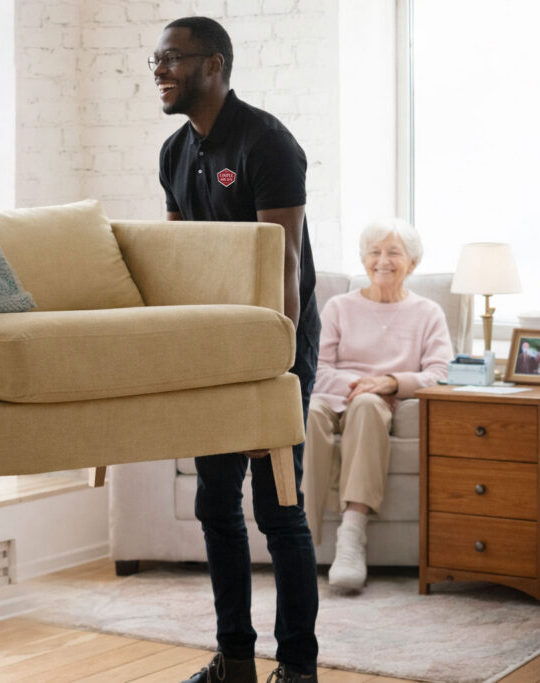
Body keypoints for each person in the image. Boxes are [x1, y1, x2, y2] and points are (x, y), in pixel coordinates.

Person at [153, 16, 320, 683]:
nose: (160, 71)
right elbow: (175, 267)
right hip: (213, 350)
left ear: (213, 63)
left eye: (171, 58)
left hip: (276, 349)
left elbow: (286, 273)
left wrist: (268, 381)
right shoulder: (172, 152)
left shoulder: (268, 144)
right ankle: (237, 661)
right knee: (213, 503)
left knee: (277, 508)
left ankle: (298, 668)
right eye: (154, 61)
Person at [302, 219, 451, 592]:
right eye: (374, 252)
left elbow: (441, 373)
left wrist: (391, 383)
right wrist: (363, 384)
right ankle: (301, 539)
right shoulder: (338, 307)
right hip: (331, 395)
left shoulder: (427, 313)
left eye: (394, 253)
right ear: (364, 260)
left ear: (412, 263)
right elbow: (315, 367)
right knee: (311, 414)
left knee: (368, 406)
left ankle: (352, 536)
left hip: (380, 403)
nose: (382, 260)